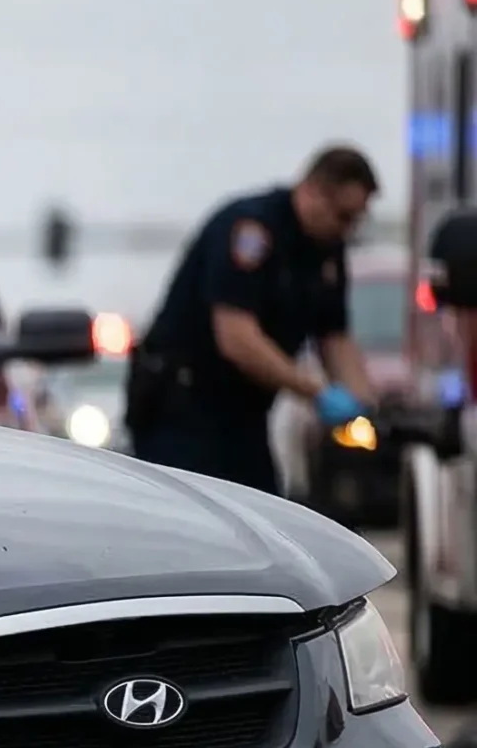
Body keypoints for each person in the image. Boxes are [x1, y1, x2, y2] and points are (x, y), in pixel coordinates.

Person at [126, 146, 381, 492]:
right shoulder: (252, 230)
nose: (348, 229)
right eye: (343, 215)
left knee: (262, 520)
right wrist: (316, 391)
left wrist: (364, 403)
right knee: (192, 525)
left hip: (243, 413)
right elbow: (236, 338)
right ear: (311, 192)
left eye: (356, 219)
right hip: (183, 408)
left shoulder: (325, 252)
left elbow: (334, 336)